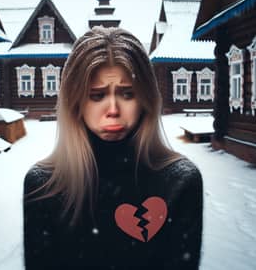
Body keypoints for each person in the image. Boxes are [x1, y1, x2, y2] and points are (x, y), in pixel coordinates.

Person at [23, 26, 203, 270]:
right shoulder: (44, 186)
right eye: (97, 96)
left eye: (127, 94)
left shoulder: (180, 181)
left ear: (145, 99)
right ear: (75, 102)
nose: (113, 110)